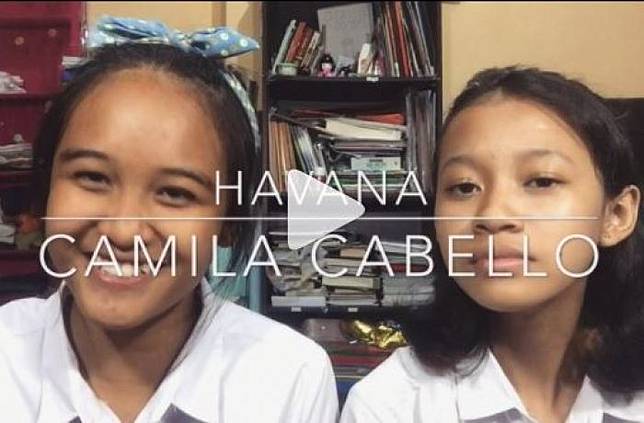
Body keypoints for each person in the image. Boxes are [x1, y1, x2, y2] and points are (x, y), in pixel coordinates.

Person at [0, 43, 338, 423]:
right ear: (46, 187)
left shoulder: (287, 378)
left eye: (175, 194)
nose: (123, 232)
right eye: (92, 177)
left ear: (229, 221)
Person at [341, 66, 644, 422]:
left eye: (541, 181)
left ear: (617, 214)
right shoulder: (391, 405)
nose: (493, 215)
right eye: (464, 187)